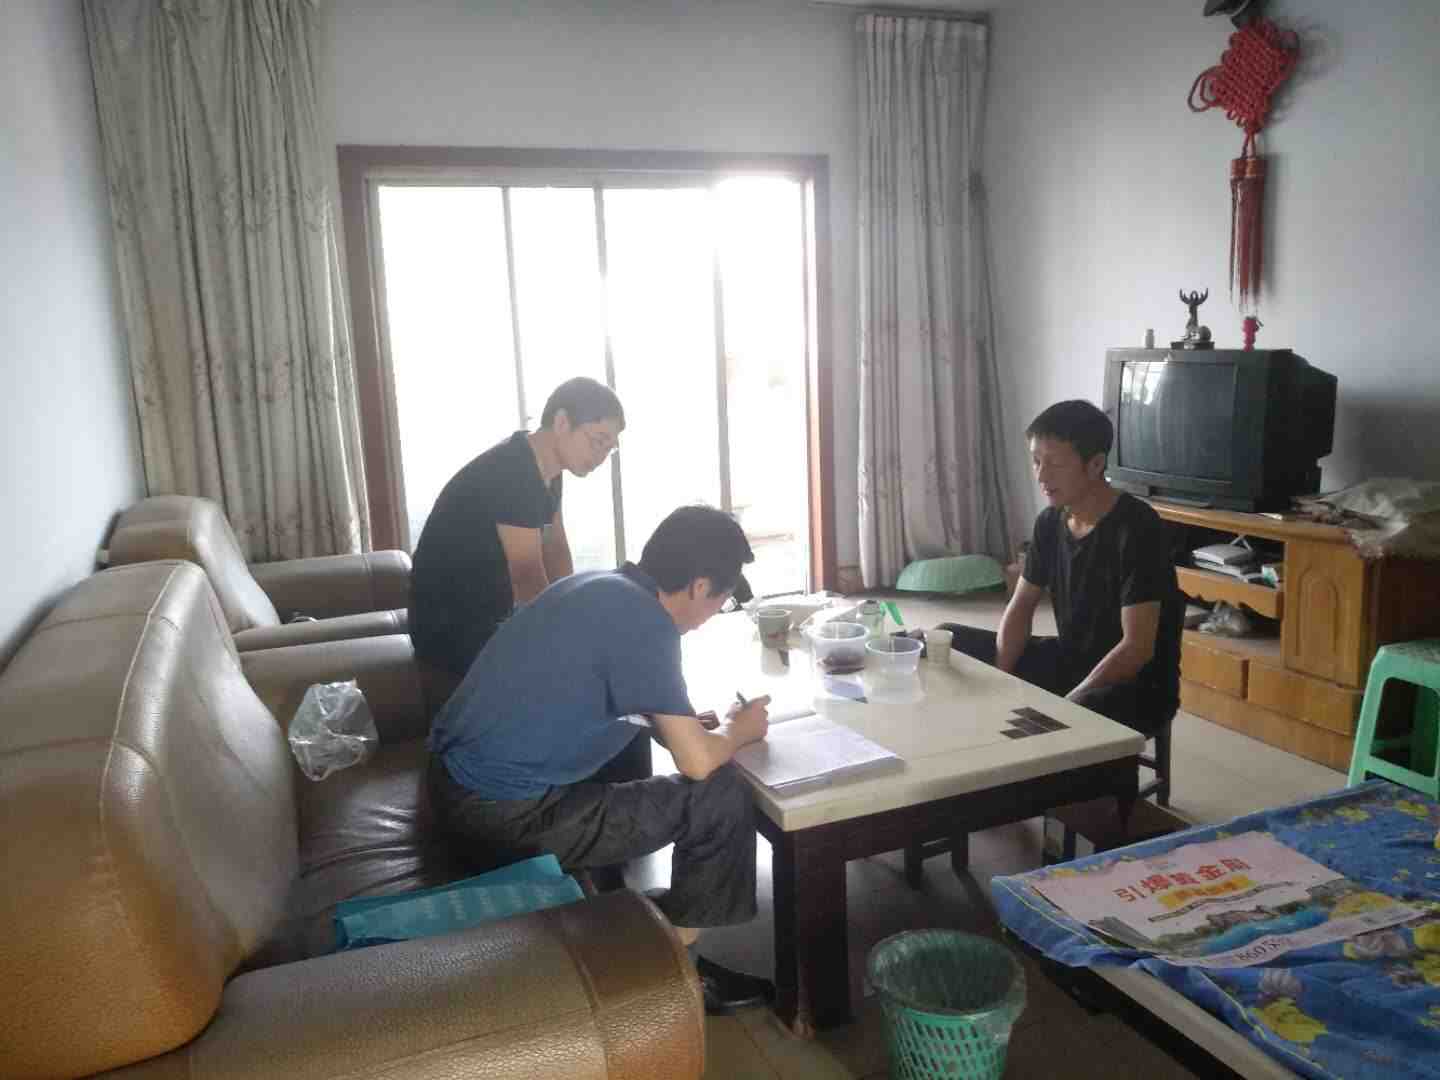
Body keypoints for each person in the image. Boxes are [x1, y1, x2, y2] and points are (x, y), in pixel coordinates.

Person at [427, 504, 776, 1014]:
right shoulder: (647, 625)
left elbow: (592, 691)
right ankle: (680, 976)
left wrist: (683, 724)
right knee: (720, 795)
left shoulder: (597, 586)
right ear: (700, 586)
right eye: (720, 600)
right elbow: (699, 764)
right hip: (501, 816)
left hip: (455, 783)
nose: (710, 616)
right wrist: (738, 731)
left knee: (656, 745)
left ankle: (626, 912)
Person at [939, 400, 1182, 736]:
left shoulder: (1138, 528)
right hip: (1070, 660)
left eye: (1054, 463)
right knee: (944, 639)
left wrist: (1067, 705)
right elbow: (1021, 607)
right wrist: (1001, 679)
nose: (1041, 475)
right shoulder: (1050, 522)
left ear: (1095, 464)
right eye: (1036, 461)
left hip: (1135, 685)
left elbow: (1137, 648)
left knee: (1055, 723)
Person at [409, 376, 624, 713]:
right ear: (562, 422)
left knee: (593, 656)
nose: (601, 456)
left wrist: (575, 611)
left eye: (609, 448)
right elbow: (526, 574)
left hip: (489, 609)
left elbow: (554, 547)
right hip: (451, 625)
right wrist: (566, 635)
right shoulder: (513, 472)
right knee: (580, 675)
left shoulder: (546, 468)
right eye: (597, 441)